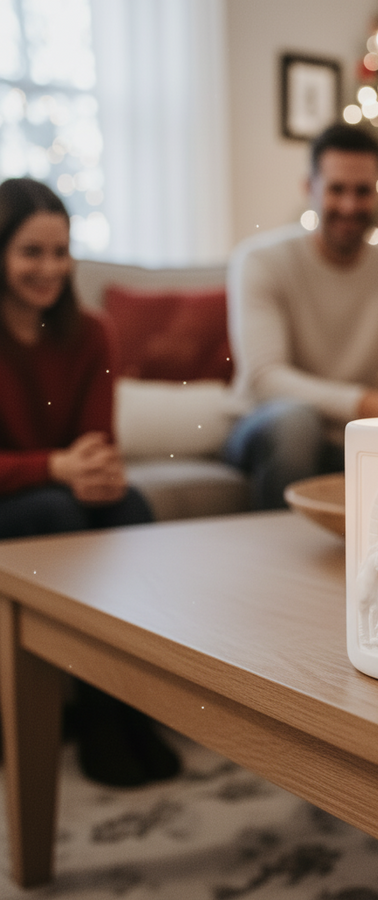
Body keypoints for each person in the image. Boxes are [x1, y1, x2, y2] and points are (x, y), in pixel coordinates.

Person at [0, 176, 180, 787]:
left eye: (61, 251)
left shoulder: (93, 331)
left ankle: (131, 705)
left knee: (131, 509)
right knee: (59, 515)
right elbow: (60, 467)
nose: (50, 268)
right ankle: (100, 716)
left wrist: (96, 472)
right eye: (31, 252)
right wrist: (53, 467)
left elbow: (98, 444)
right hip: (21, 499)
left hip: (64, 490)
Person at [224, 123, 378, 509]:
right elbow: (265, 378)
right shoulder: (260, 261)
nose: (349, 206)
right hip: (268, 427)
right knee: (295, 424)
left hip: (352, 437)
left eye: (362, 191)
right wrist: (369, 406)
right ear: (309, 188)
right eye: (336, 189)